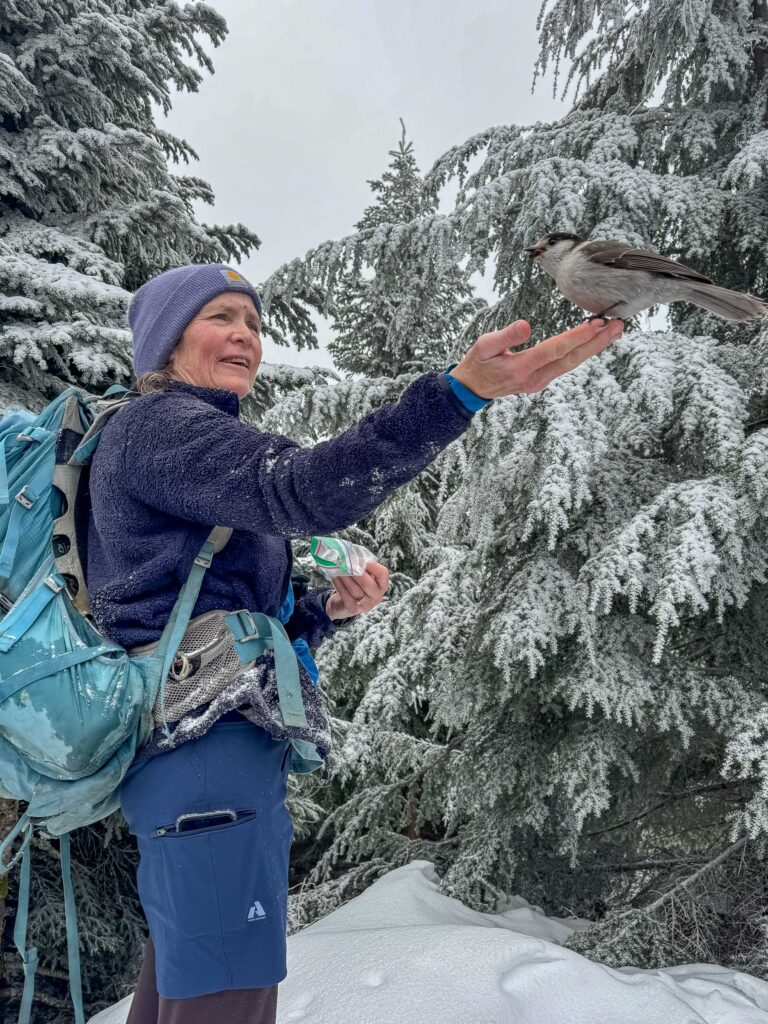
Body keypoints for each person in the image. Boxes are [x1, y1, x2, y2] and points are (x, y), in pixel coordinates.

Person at [86, 263, 623, 1023]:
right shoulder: (162, 428)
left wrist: (321, 612)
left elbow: (205, 616)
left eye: (253, 321)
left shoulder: (177, 440)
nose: (244, 334)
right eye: (220, 317)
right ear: (166, 342)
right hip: (204, 760)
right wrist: (457, 394)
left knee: (191, 991)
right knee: (223, 1000)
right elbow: (303, 491)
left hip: (201, 756)